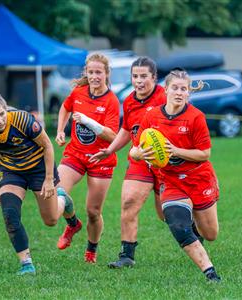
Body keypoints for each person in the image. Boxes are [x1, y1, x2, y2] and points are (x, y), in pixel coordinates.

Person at [129, 70, 221, 282]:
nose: (179, 93)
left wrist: (175, 151)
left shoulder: (196, 117)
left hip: (198, 179)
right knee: (177, 223)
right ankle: (210, 272)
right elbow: (133, 152)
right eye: (175, 88)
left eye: (184, 89)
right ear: (166, 90)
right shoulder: (151, 116)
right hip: (170, 180)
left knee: (210, 234)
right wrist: (140, 153)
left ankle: (197, 230)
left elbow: (205, 153)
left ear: (188, 93)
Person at [0, 92, 79, 275]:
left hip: (39, 169)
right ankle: (26, 264)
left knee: (51, 220)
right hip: (12, 171)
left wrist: (49, 180)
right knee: (9, 215)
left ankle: (63, 199)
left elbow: (48, 146)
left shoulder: (22, 120)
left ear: (6, 109)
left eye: (2, 114)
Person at [90, 57, 166, 268]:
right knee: (128, 202)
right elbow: (126, 129)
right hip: (139, 161)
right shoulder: (130, 100)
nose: (139, 81)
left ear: (154, 77)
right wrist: (109, 150)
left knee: (165, 213)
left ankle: (191, 230)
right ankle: (127, 255)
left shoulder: (164, 96)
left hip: (164, 163)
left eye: (144, 76)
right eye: (135, 76)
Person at [55, 53, 120, 264]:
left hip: (100, 159)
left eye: (98, 72)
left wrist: (89, 122)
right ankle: (73, 223)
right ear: (86, 72)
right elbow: (65, 107)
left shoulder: (111, 101)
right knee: (58, 192)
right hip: (75, 154)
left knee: (93, 211)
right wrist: (60, 131)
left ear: (106, 74)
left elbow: (112, 135)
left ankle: (91, 250)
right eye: (91, 72)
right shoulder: (78, 92)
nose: (94, 76)